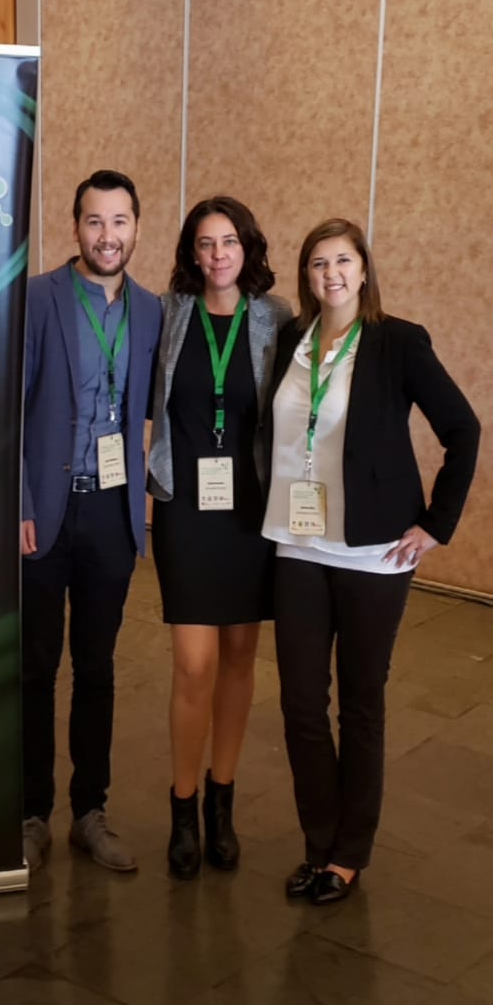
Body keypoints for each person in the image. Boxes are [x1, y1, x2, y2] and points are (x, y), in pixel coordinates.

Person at [263, 218, 480, 904]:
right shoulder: (293, 341)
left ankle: (348, 855)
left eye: (343, 261)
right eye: (319, 263)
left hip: (373, 551)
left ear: (363, 270)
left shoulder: (398, 342)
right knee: (301, 702)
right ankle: (318, 842)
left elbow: (464, 429)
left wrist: (436, 525)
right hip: (297, 542)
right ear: (307, 275)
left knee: (360, 702)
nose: (331, 274)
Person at [21, 169, 162, 874]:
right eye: (95, 221)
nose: (108, 235)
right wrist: (20, 503)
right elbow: (7, 406)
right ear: (75, 226)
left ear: (137, 227)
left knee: (97, 668)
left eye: (119, 221)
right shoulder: (38, 298)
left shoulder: (152, 310)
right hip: (44, 513)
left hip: (111, 510)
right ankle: (30, 813)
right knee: (35, 668)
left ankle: (89, 813)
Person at [147, 197, 292, 878]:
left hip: (250, 511)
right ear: (191, 252)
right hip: (187, 509)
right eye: (205, 243)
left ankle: (221, 803)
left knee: (238, 658)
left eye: (228, 241)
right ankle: (182, 806)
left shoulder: (276, 318)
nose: (217, 255)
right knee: (193, 664)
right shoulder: (167, 313)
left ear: (247, 246)